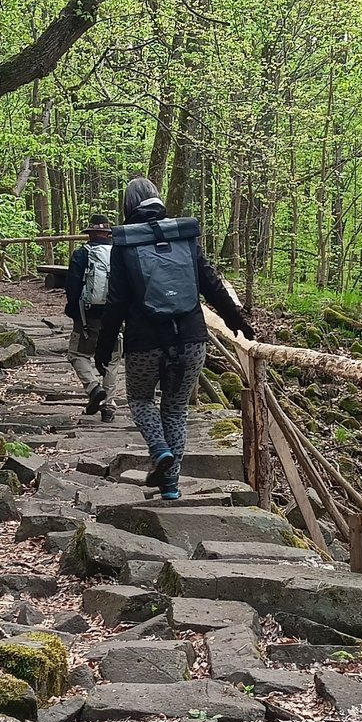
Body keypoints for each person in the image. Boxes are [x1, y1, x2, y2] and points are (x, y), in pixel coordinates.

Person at [93, 176, 252, 500]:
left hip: (145, 341)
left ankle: (160, 449)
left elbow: (117, 302)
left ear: (128, 206)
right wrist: (237, 321)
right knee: (176, 409)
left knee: (140, 401)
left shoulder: (124, 243)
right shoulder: (183, 236)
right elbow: (211, 284)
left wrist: (104, 346)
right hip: (191, 339)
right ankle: (170, 485)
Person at [63, 213, 118, 422]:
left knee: (76, 355)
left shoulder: (81, 254)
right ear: (107, 233)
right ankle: (109, 407)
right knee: (112, 361)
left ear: (90, 233)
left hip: (88, 316)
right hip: (114, 316)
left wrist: (74, 312)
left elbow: (73, 286)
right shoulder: (118, 254)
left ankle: (93, 387)